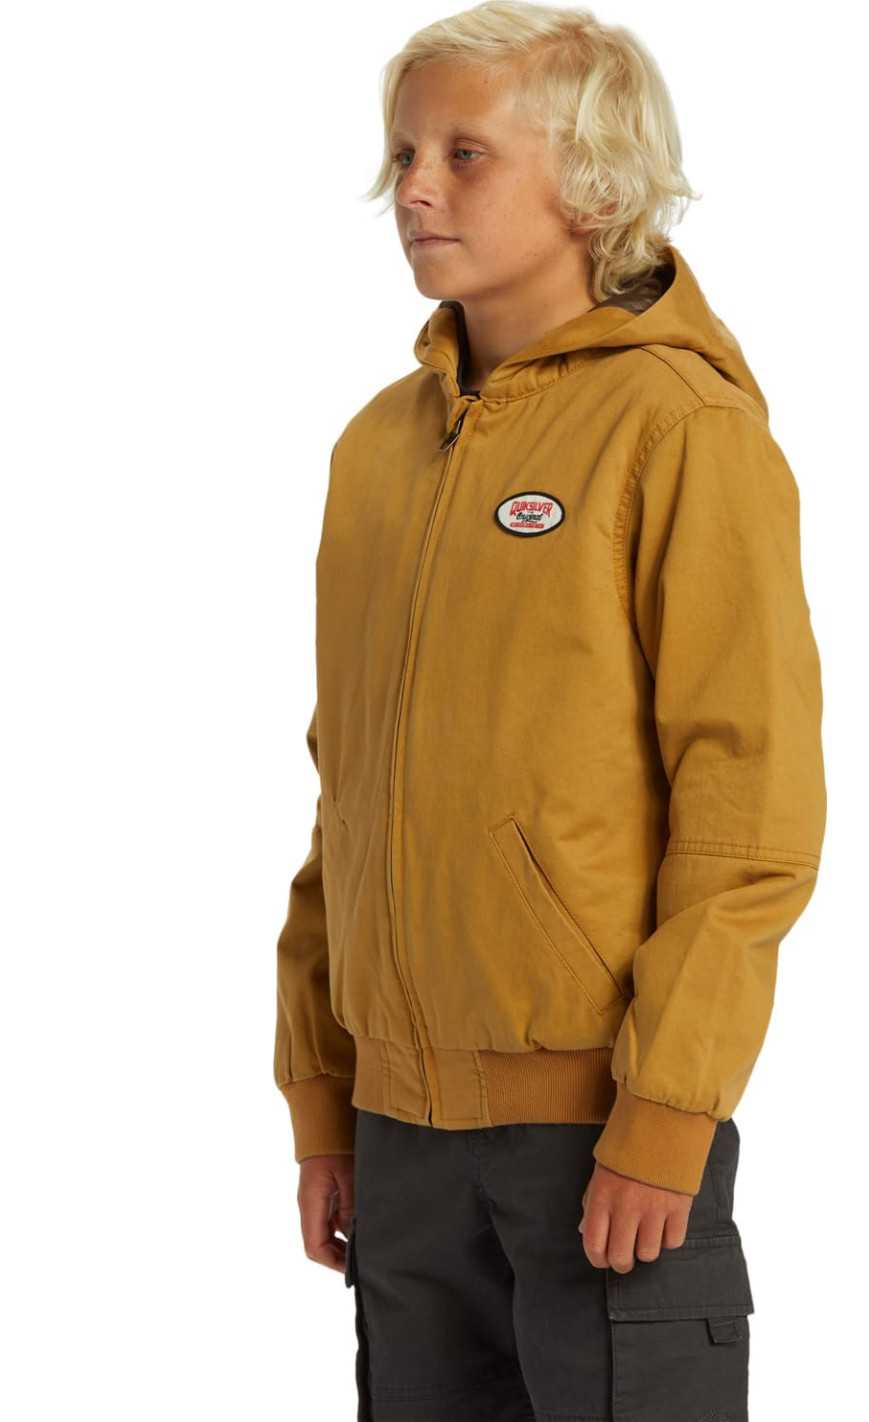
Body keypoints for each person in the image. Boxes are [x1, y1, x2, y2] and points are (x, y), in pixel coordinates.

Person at [272, 3, 827, 1417]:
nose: (413, 188)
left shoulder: (681, 429)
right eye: (405, 152)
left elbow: (749, 812)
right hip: (399, 1142)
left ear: (592, 183)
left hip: (599, 1139)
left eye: (465, 154)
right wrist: (325, 1097)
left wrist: (667, 1110)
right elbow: (350, 797)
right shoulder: (376, 452)